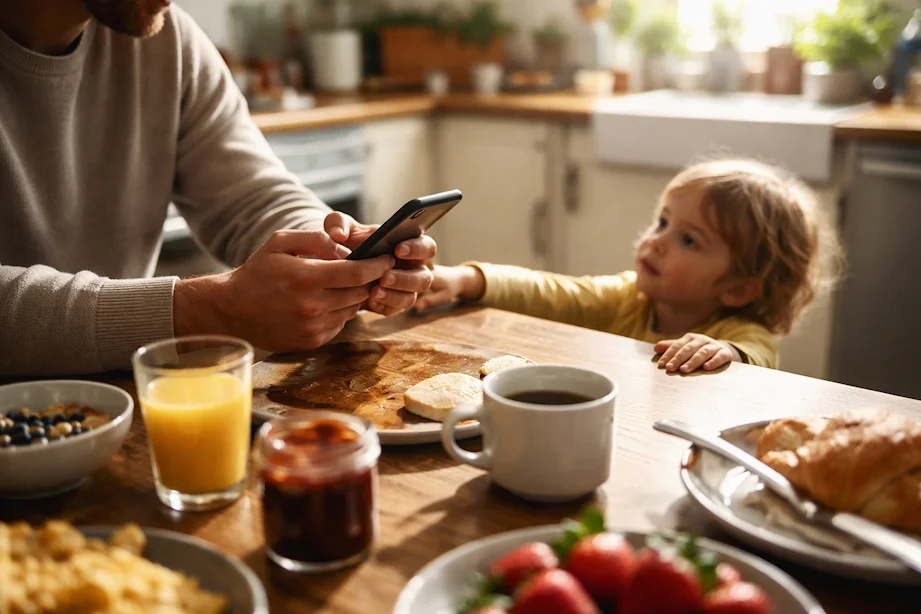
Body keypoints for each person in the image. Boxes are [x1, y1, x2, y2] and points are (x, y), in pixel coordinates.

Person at [0, 1, 436, 376]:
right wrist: (202, 310)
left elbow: (251, 195)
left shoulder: (168, 40)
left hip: (119, 403)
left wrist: (332, 251)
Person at [415, 159, 842, 373]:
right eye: (663, 222)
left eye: (688, 240)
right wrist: (467, 280)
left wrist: (727, 354)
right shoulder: (631, 299)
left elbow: (759, 360)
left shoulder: (739, 333)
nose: (656, 241)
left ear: (737, 289)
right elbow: (555, 293)